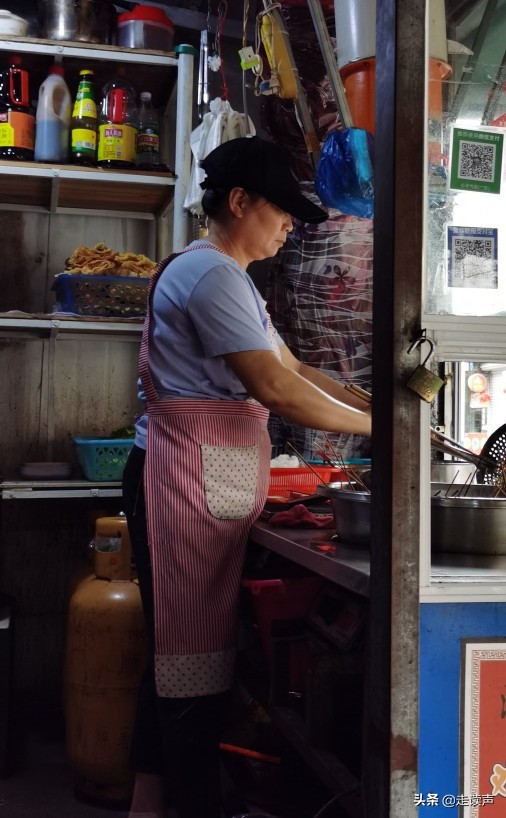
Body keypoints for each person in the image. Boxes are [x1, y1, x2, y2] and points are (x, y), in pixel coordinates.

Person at [122, 135, 372, 818]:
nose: (290, 226)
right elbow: (274, 389)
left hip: (209, 479)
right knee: (192, 670)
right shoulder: (210, 276)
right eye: (282, 212)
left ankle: (148, 807)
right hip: (180, 484)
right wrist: (386, 433)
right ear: (239, 202)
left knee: (179, 658)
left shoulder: (233, 279)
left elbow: (293, 369)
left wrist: (377, 407)